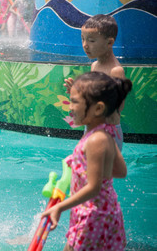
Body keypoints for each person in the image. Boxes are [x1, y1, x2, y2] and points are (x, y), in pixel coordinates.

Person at [42, 71, 131, 251]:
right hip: (101, 212)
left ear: (98, 109)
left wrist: (59, 208)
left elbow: (93, 187)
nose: (70, 108)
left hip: (93, 215)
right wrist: (89, 168)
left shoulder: (96, 140)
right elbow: (121, 171)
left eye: (75, 102)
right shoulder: (105, 134)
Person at [64, 14, 125, 150]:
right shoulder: (95, 66)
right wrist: (78, 93)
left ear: (109, 43)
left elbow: (119, 107)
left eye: (91, 41)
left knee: (104, 169)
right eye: (83, 39)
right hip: (92, 126)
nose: (85, 45)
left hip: (108, 132)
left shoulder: (115, 71)